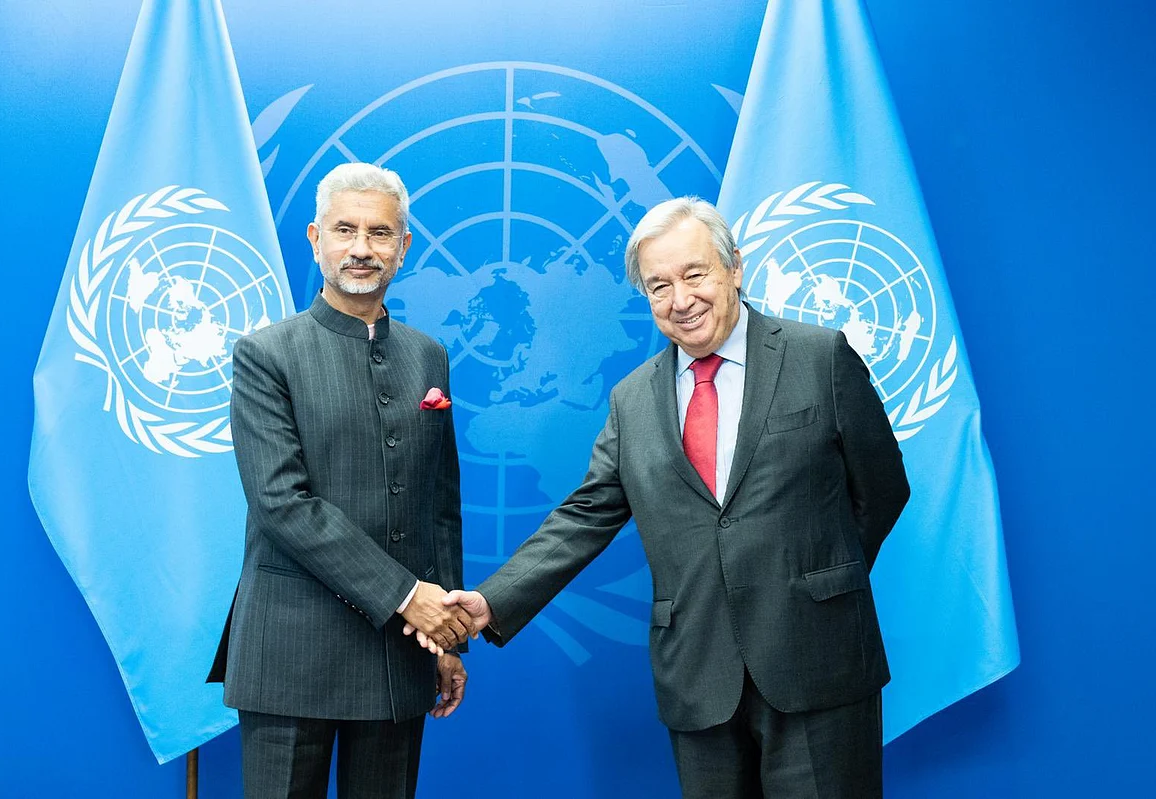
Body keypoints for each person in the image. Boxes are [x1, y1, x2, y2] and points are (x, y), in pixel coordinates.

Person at [414, 197, 910, 797]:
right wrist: (492, 601)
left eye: (694, 274)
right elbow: (586, 514)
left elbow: (881, 489)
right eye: (659, 286)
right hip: (699, 677)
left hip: (820, 665)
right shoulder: (633, 399)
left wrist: (818, 581)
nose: (681, 300)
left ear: (735, 268)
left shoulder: (819, 357)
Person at [207, 163, 474, 799]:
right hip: (290, 650)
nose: (361, 248)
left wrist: (446, 636)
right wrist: (411, 599)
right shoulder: (266, 353)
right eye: (345, 230)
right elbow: (282, 504)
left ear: (404, 246)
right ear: (315, 238)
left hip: (397, 657)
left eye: (380, 233)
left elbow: (439, 505)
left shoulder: (428, 356)